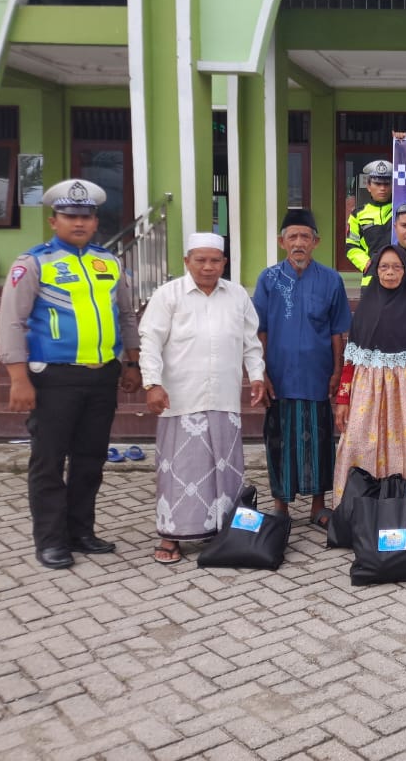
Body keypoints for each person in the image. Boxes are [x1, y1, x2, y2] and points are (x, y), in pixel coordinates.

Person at [0, 178, 142, 570]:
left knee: (90, 460)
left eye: (86, 216)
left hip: (101, 377)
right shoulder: (34, 263)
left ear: (95, 221)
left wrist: (131, 363)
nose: (78, 223)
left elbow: (125, 315)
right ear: (53, 220)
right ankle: (50, 539)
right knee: (48, 462)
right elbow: (11, 322)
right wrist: (18, 378)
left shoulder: (109, 262)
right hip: (53, 378)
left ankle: (81, 531)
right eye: (70, 216)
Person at [139, 233, 266, 564]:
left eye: (215, 261)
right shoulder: (168, 295)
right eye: (201, 260)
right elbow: (149, 340)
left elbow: (251, 341)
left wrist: (256, 376)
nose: (208, 267)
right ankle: (171, 537)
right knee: (181, 470)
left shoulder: (237, 295)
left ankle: (221, 533)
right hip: (180, 400)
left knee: (223, 470)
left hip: (223, 398)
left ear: (224, 263)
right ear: (187, 261)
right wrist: (152, 383)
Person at [253, 209, 352, 523]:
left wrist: (337, 372)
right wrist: (262, 373)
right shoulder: (268, 279)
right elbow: (260, 330)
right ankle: (281, 507)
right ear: (282, 242)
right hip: (279, 376)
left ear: (316, 242)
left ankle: (318, 506)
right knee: (279, 440)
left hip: (317, 375)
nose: (298, 243)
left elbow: (338, 331)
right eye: (292, 237)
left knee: (320, 441)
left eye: (305, 237)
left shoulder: (331, 279)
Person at [334, 245, 406, 499]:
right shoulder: (365, 307)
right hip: (367, 392)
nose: (390, 273)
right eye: (384, 267)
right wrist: (343, 399)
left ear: (405, 270)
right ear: (375, 271)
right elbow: (351, 358)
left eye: (396, 267)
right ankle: (359, 509)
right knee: (358, 442)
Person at [345, 159, 394, 275]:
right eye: (377, 184)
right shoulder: (357, 214)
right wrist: (366, 264)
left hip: (399, 273)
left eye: (387, 184)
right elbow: (351, 245)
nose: (382, 188)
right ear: (368, 186)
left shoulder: (401, 210)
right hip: (372, 274)